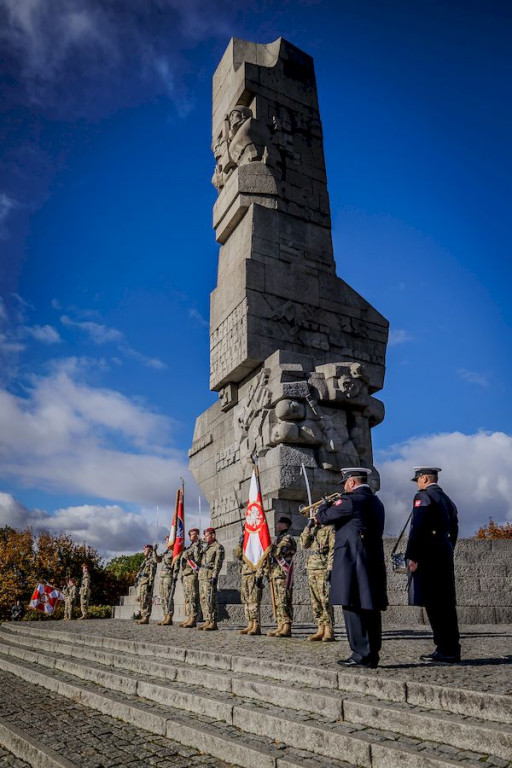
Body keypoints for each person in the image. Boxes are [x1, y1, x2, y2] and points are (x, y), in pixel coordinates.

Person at [314, 468, 387, 668]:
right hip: (371, 560)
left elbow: (324, 518)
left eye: (345, 483)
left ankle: (359, 653)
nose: (344, 487)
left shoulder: (350, 500)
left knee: (352, 605)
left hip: (352, 562)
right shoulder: (376, 502)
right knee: (370, 607)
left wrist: (323, 505)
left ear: (352, 483)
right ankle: (372, 654)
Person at [405, 466, 460, 663]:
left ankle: (444, 649)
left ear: (425, 478)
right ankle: (452, 647)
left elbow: (417, 527)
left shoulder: (424, 497)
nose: (418, 483)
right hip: (443, 555)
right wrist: (447, 548)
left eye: (418, 480)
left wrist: (413, 556)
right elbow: (454, 528)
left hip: (427, 557)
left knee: (434, 605)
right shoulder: (447, 500)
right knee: (446, 604)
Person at [300, 518, 335, 642]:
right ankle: (320, 627)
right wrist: (308, 527)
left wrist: (330, 568)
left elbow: (332, 549)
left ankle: (329, 629)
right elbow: (304, 544)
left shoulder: (330, 529)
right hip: (312, 568)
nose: (315, 517)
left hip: (323, 567)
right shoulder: (314, 529)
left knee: (325, 599)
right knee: (315, 602)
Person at [267, 516, 297, 638]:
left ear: (284, 524)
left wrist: (270, 548)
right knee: (279, 602)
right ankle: (280, 625)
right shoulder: (278, 539)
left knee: (285, 601)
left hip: (284, 574)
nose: (277, 525)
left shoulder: (287, 538)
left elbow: (278, 552)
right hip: (276, 573)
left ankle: (287, 626)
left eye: (279, 523)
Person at [234, 533, 265, 636]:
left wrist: (259, 575)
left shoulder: (256, 543)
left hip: (253, 573)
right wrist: (240, 543)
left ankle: (256, 625)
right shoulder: (246, 543)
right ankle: (250, 623)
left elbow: (262, 558)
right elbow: (238, 556)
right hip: (245, 574)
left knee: (254, 600)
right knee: (246, 600)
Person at [197, 527, 225, 631]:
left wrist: (214, 576)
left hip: (209, 575)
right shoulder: (206, 548)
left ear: (213, 535)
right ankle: (207, 620)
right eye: (205, 535)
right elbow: (197, 559)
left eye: (207, 535)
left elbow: (218, 563)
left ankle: (213, 621)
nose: (205, 537)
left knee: (210, 599)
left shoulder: (218, 547)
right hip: (202, 575)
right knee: (203, 599)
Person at [179, 528, 203, 628]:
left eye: (192, 534)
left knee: (193, 596)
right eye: (189, 535)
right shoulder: (190, 547)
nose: (190, 536)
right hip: (186, 574)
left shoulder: (199, 545)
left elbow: (197, 559)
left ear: (197, 534)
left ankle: (193, 618)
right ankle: (189, 616)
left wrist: (190, 553)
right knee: (187, 597)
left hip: (193, 573)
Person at [155, 537, 180, 626]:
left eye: (168, 540)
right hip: (162, 577)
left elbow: (176, 565)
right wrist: (154, 551)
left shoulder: (175, 552)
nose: (167, 542)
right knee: (162, 598)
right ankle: (165, 616)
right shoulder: (166, 552)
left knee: (168, 597)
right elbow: (157, 560)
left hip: (168, 576)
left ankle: (169, 617)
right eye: (166, 541)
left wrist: (175, 576)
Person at [136, 544, 157, 625]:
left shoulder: (152, 560)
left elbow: (152, 573)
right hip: (142, 582)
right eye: (144, 550)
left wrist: (150, 584)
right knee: (142, 600)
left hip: (147, 583)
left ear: (150, 551)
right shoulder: (145, 561)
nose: (144, 551)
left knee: (146, 600)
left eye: (146, 550)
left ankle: (146, 617)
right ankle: (143, 616)